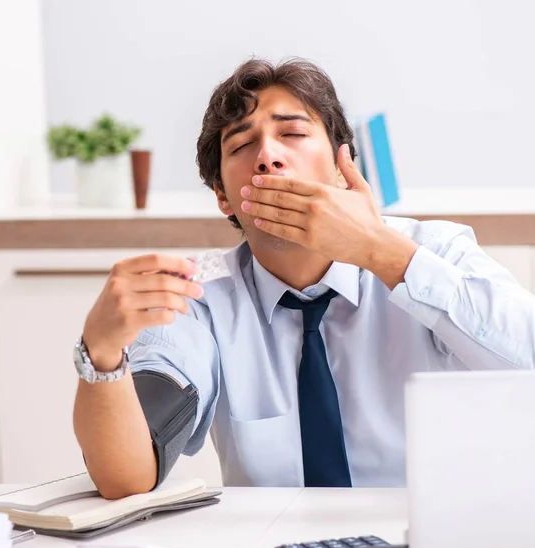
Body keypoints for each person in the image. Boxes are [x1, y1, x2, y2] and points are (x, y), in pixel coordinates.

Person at [73, 58, 535, 499]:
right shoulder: (197, 296)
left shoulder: (436, 252)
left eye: (292, 133)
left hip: (431, 545)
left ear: (341, 167)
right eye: (241, 145)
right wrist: (103, 354)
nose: (269, 156)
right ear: (223, 197)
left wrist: (380, 251)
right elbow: (129, 475)